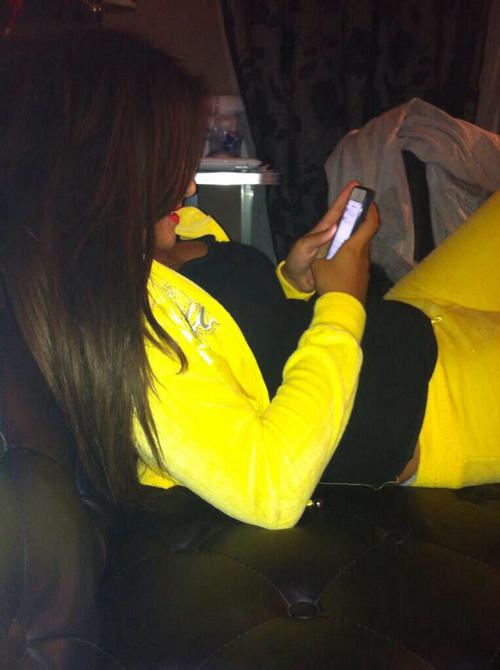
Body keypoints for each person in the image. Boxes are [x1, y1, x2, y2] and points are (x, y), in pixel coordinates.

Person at [0, 29, 499, 531]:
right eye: (167, 168)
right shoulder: (123, 341)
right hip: (434, 406)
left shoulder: (163, 239)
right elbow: (271, 488)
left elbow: (250, 347)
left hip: (416, 316)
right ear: (102, 174)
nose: (189, 186)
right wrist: (341, 301)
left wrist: (296, 279)